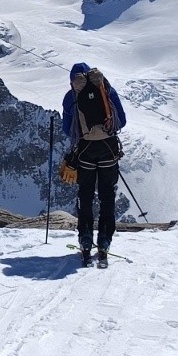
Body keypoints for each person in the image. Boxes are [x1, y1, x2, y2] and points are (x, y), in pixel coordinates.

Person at [61, 62, 127, 267]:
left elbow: (67, 129)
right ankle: (105, 242)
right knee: (107, 196)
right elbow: (122, 121)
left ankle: (86, 241)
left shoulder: (71, 96)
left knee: (86, 196)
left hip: (85, 152)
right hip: (108, 150)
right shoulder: (106, 89)